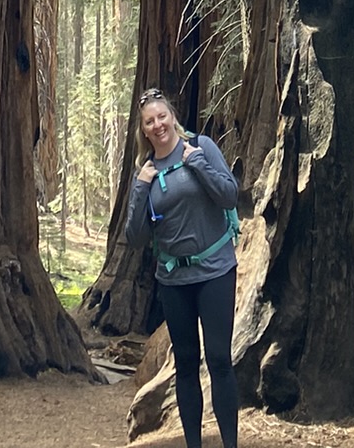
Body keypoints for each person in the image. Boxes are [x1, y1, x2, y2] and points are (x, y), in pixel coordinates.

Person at [125, 87, 241, 448]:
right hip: (174, 280)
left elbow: (229, 194)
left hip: (215, 271)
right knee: (186, 365)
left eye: (162, 116)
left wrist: (197, 164)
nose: (157, 125)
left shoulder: (202, 148)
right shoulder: (145, 173)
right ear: (144, 130)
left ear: (172, 117)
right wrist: (140, 189)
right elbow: (136, 236)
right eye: (149, 121)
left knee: (219, 360)